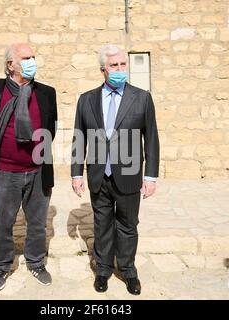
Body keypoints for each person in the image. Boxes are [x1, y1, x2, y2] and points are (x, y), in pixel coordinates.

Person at [71, 44, 160, 295]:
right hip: (99, 174)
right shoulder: (86, 100)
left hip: (130, 174)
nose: (120, 69)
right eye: (114, 66)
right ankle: (103, 270)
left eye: (123, 64)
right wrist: (77, 173)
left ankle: (128, 270)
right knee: (102, 224)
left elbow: (151, 139)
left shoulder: (141, 98)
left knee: (128, 224)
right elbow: (80, 138)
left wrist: (150, 176)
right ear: (103, 70)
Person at [0, 43, 57, 292]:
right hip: (4, 172)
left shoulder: (47, 93)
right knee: (3, 222)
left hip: (38, 170)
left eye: (33, 57)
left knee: (38, 222)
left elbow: (51, 128)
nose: (32, 62)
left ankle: (36, 262)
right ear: (11, 64)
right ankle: (2, 265)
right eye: (26, 58)